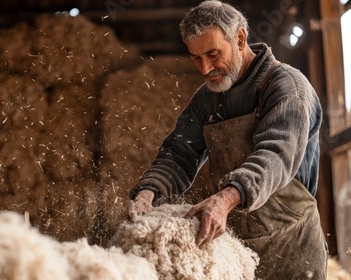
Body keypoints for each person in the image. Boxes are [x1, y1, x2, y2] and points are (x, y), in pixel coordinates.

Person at [129, 1, 328, 279]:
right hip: (234, 252)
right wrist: (148, 193)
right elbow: (178, 154)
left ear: (240, 38)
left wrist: (225, 199)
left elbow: (276, 155)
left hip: (291, 249)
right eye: (196, 58)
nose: (205, 68)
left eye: (212, 53)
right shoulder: (206, 99)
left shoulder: (286, 87)